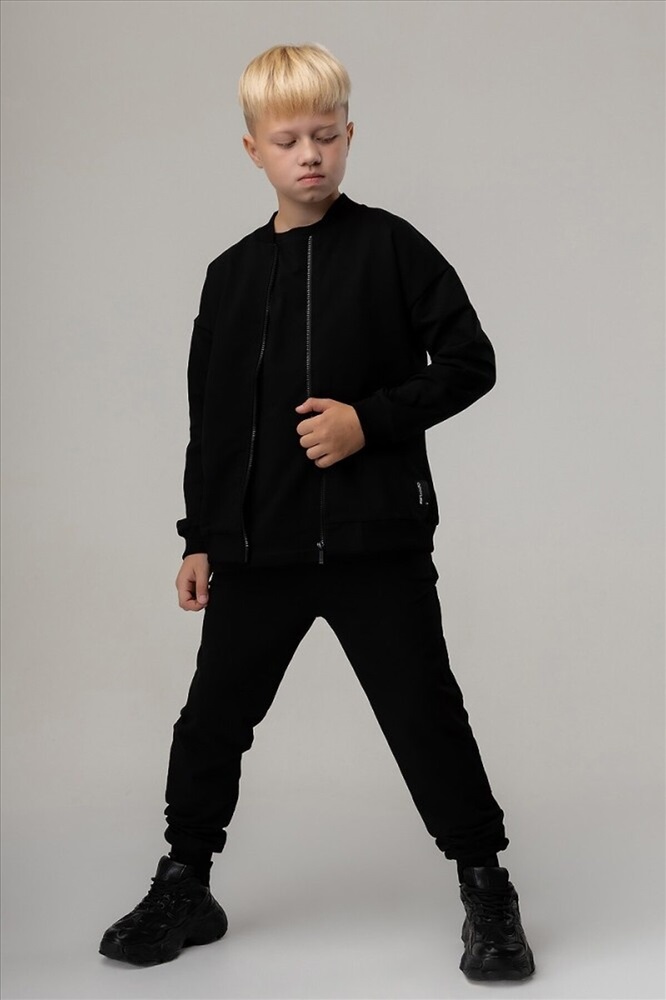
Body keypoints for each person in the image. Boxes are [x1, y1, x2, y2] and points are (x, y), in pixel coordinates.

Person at [99, 42, 535, 982]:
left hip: (375, 542)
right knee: (211, 721)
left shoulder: (390, 247)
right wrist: (200, 537)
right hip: (258, 551)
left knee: (424, 714)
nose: (311, 155)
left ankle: (486, 886)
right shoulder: (228, 275)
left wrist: (368, 421)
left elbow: (471, 361)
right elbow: (212, 423)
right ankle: (185, 882)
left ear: (349, 136)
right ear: (252, 149)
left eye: (327, 136)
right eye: (289, 139)